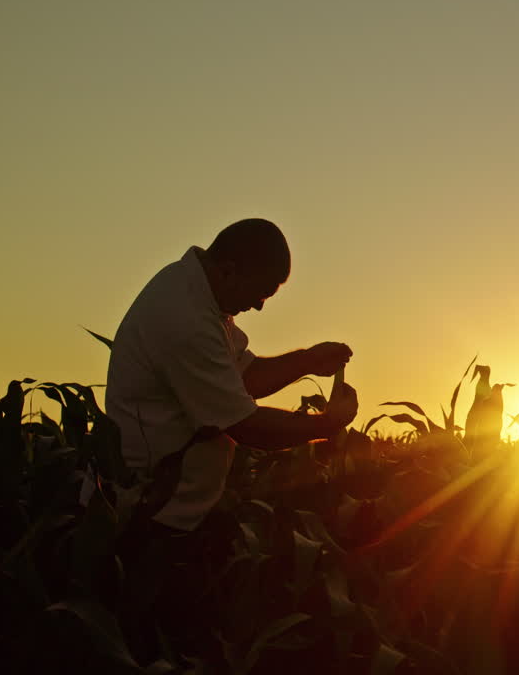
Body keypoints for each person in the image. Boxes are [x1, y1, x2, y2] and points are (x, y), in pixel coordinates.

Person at [102, 218, 359, 658]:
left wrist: (306, 359)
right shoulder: (185, 319)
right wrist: (326, 427)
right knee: (155, 647)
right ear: (228, 270)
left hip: (181, 516)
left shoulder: (200, 299)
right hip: (152, 519)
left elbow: (244, 377)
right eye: (260, 294)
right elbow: (244, 423)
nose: (259, 307)